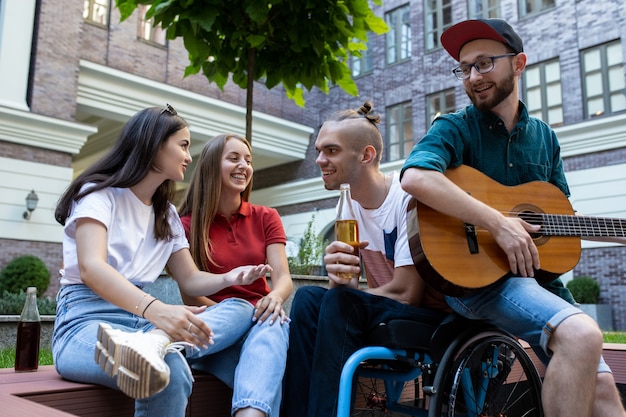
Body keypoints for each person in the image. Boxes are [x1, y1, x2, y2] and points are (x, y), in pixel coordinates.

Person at [400, 18, 626, 417]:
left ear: (518, 64)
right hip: (476, 281)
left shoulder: (545, 137)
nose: (473, 76)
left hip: (537, 283)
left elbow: (560, 216)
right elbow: (416, 177)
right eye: (465, 68)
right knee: (580, 333)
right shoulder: (454, 127)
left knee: (604, 392)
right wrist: (498, 222)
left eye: (484, 63)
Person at [52, 104, 272, 417]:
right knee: (168, 371)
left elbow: (191, 279)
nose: (189, 156)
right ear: (155, 144)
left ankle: (159, 340)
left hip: (142, 326)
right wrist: (158, 311)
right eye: (183, 145)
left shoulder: (165, 215)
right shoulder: (98, 195)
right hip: (85, 325)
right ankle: (160, 342)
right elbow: (91, 267)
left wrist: (230, 278)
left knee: (240, 307)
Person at [281, 101, 449, 417]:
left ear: (366, 155)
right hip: (379, 308)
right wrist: (338, 274)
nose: (319, 160)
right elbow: (344, 288)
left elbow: (406, 293)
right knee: (306, 299)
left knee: (339, 302)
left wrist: (344, 295)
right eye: (318, 151)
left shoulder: (406, 197)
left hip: (427, 315)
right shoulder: (349, 204)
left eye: (331, 151)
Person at [177, 133, 292, 417]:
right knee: (245, 313)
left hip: (260, 324)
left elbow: (283, 278)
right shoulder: (186, 225)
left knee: (270, 325)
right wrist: (239, 318)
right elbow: (190, 293)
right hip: (213, 326)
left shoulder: (266, 216)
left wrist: (275, 297)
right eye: (234, 158)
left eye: (248, 160)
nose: (244, 166)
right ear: (212, 166)